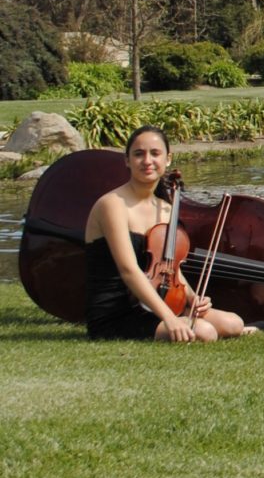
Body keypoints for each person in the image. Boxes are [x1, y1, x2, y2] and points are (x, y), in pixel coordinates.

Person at [83, 126, 250, 342]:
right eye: (139, 154)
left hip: (157, 304)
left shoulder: (166, 209)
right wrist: (169, 318)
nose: (147, 161)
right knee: (205, 332)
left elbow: (170, 269)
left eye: (155, 153)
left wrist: (192, 298)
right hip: (117, 312)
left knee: (233, 323)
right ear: (127, 160)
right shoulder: (112, 204)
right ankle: (183, 325)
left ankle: (228, 327)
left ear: (168, 159)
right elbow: (128, 270)